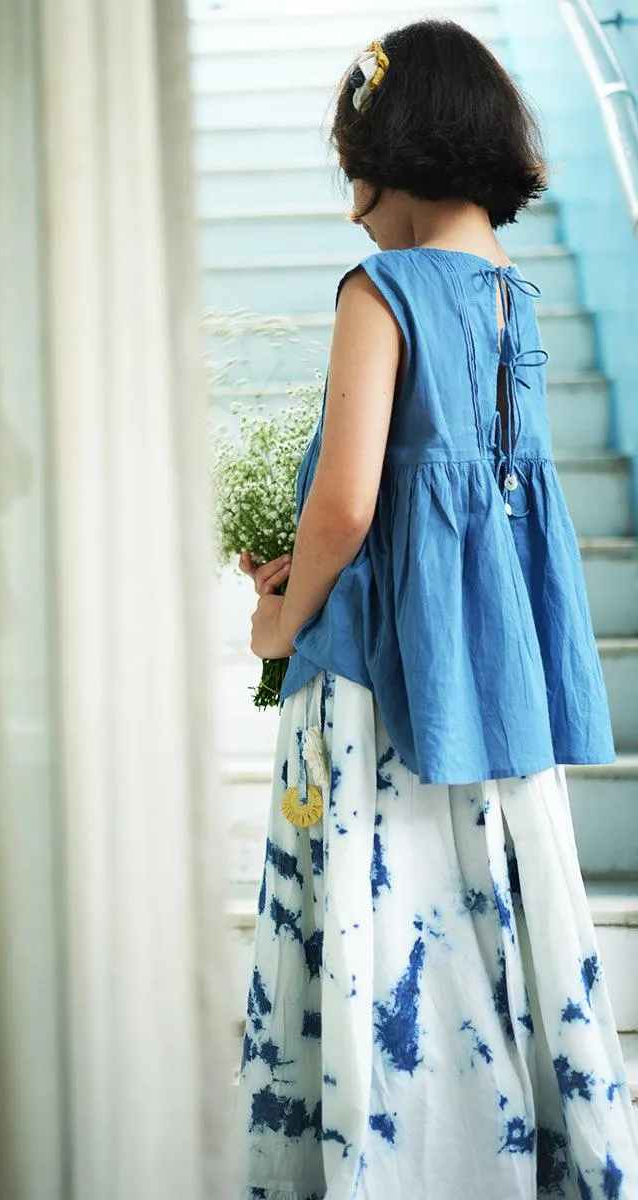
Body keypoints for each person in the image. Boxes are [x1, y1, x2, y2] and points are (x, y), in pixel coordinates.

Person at [231, 18, 638, 1200]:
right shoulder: (515, 302)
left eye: (355, 170)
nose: (351, 206)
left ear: (397, 154)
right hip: (485, 695)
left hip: (373, 693)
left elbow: (348, 505)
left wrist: (281, 619)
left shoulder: (380, 290)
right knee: (474, 931)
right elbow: (458, 509)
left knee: (373, 931)